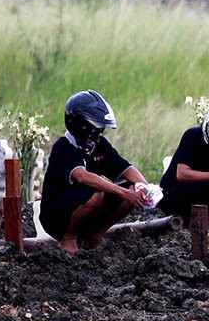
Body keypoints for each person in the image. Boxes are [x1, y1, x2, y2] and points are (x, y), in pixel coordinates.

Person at [40, 90, 150, 254]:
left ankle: (94, 236)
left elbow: (124, 167)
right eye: (95, 130)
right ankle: (68, 239)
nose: (99, 135)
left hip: (89, 210)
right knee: (96, 193)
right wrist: (123, 192)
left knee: (133, 188)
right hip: (57, 217)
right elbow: (83, 177)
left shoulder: (99, 145)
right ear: (81, 126)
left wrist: (146, 187)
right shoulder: (63, 147)